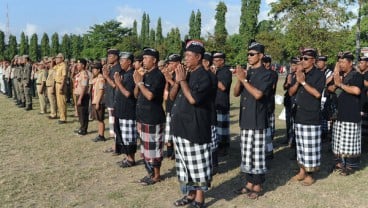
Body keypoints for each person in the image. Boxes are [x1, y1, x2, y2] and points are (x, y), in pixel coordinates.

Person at [169, 40, 213, 208]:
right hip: (180, 127)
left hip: (195, 128)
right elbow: (172, 97)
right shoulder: (185, 74)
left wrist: (182, 81)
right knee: (184, 165)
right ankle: (189, 194)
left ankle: (199, 199)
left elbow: (194, 99)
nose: (185, 59)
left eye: (188, 56)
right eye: (185, 55)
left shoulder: (205, 76)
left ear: (198, 57)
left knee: (198, 166)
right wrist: (178, 80)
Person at [233, 42, 273, 199]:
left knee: (257, 154)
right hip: (246, 119)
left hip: (257, 119)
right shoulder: (248, 74)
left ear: (261, 56)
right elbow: (236, 93)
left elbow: (258, 95)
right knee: (246, 153)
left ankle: (258, 184)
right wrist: (240, 78)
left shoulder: (267, 74)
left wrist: (244, 80)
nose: (249, 57)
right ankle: (249, 182)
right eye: (248, 54)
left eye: (252, 54)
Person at [288, 48, 325, 186]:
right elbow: (291, 92)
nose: (302, 61)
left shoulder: (319, 75)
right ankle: (302, 170)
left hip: (311, 115)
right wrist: (298, 81)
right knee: (301, 146)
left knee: (311, 147)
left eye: (305, 59)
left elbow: (317, 94)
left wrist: (303, 82)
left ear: (313, 60)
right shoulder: (299, 73)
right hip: (299, 115)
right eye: (301, 58)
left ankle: (311, 174)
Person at [133, 47, 166, 185]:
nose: (143, 61)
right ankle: (150, 173)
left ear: (154, 61)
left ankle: (156, 175)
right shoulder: (145, 74)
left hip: (153, 117)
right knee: (146, 148)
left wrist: (140, 83)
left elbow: (150, 95)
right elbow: (136, 94)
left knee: (154, 148)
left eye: (146, 58)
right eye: (143, 58)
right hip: (142, 116)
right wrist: (137, 82)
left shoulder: (158, 76)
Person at [329, 52, 363, 175]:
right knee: (338, 140)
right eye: (340, 62)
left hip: (351, 112)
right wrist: (336, 78)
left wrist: (340, 85)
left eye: (343, 62)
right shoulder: (342, 75)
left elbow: (357, 90)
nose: (341, 64)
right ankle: (339, 163)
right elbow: (331, 88)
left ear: (350, 63)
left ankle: (350, 166)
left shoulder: (356, 76)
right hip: (340, 113)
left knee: (350, 141)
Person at [113, 52, 138, 167]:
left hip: (128, 111)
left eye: (123, 60)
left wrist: (118, 82)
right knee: (122, 134)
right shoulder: (124, 73)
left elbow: (128, 94)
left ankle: (131, 159)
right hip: (120, 109)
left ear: (129, 62)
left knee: (128, 136)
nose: (120, 63)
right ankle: (126, 157)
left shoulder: (132, 75)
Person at [212, 51, 232, 158]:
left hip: (222, 102)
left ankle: (224, 148)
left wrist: (214, 76)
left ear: (222, 61)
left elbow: (223, 87)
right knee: (217, 127)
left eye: (216, 61)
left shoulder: (226, 72)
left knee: (222, 128)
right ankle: (220, 146)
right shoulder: (218, 71)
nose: (214, 63)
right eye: (213, 61)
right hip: (215, 102)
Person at [162, 53, 182, 159]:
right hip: (169, 106)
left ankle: (176, 152)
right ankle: (170, 152)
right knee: (169, 131)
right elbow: (166, 94)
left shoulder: (181, 74)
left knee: (175, 131)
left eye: (171, 63)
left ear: (178, 63)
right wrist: (167, 80)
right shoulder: (171, 73)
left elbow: (179, 89)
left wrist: (169, 79)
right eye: (168, 63)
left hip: (177, 107)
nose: (169, 65)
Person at [102, 49, 121, 141]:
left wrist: (106, 76)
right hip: (110, 98)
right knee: (112, 122)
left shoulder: (118, 69)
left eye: (110, 56)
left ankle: (116, 145)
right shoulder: (112, 68)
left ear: (116, 57)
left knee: (115, 123)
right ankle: (114, 143)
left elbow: (114, 85)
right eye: (108, 56)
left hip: (115, 99)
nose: (108, 58)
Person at [262, 55, 278, 160]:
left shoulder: (272, 74)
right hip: (263, 103)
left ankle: (269, 151)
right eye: (265, 62)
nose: (267, 64)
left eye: (268, 62)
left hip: (268, 102)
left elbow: (272, 87)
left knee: (268, 128)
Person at [317, 55, 334, 142]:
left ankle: (325, 133)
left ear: (325, 63)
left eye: (320, 61)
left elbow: (326, 83)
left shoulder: (329, 72)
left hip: (325, 96)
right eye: (318, 61)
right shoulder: (316, 72)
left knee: (325, 116)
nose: (318, 63)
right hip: (317, 97)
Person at [73, 59, 90, 135]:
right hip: (78, 95)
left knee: (83, 113)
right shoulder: (79, 73)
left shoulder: (84, 75)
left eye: (79, 64)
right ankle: (81, 127)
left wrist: (80, 98)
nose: (77, 66)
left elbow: (84, 87)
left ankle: (84, 129)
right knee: (80, 113)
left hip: (82, 96)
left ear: (83, 65)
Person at [90, 63, 106, 142]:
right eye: (92, 69)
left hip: (99, 101)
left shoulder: (101, 79)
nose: (93, 71)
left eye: (94, 69)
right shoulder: (96, 78)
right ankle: (100, 134)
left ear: (99, 70)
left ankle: (101, 135)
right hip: (95, 100)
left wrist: (97, 103)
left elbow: (101, 91)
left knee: (100, 119)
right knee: (98, 119)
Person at [54, 53, 68, 124]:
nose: (56, 59)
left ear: (62, 58)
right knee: (59, 102)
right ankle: (61, 116)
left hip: (61, 84)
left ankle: (63, 118)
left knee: (62, 102)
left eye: (58, 57)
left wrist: (62, 86)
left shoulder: (63, 66)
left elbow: (64, 77)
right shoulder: (58, 66)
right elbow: (52, 68)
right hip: (57, 84)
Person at [358, 56, 368, 149]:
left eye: (361, 63)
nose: (359, 64)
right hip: (360, 102)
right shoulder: (361, 74)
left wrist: (361, 78)